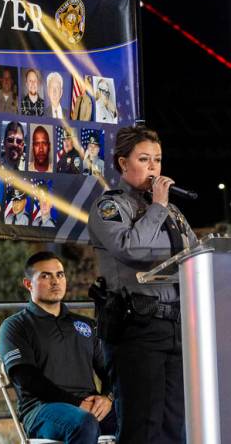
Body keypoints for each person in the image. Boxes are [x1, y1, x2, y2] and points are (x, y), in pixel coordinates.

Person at [87, 125, 196, 444]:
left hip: (176, 328)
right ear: (123, 163)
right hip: (136, 326)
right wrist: (158, 207)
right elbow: (131, 248)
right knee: (142, 425)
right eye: (144, 159)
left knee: (174, 425)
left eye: (158, 160)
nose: (153, 168)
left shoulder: (173, 212)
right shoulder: (109, 207)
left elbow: (195, 254)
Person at [0, 252, 115, 444]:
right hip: (42, 410)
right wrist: (77, 403)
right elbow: (26, 378)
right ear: (28, 284)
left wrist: (107, 398)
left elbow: (109, 369)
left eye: (59, 275)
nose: (55, 281)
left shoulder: (85, 324)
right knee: (83, 422)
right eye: (45, 276)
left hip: (90, 406)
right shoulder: (16, 326)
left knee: (139, 417)